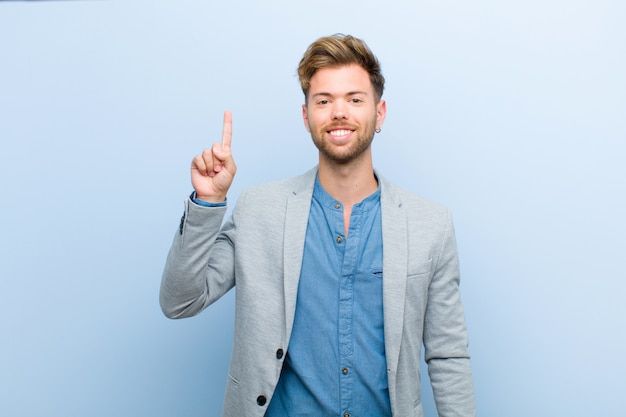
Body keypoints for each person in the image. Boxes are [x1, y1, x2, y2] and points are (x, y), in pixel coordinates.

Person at [160, 34, 475, 417]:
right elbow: (180, 301)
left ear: (380, 112)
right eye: (324, 101)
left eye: (355, 99)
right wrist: (208, 203)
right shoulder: (259, 210)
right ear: (307, 115)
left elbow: (448, 355)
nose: (339, 112)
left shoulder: (431, 224)